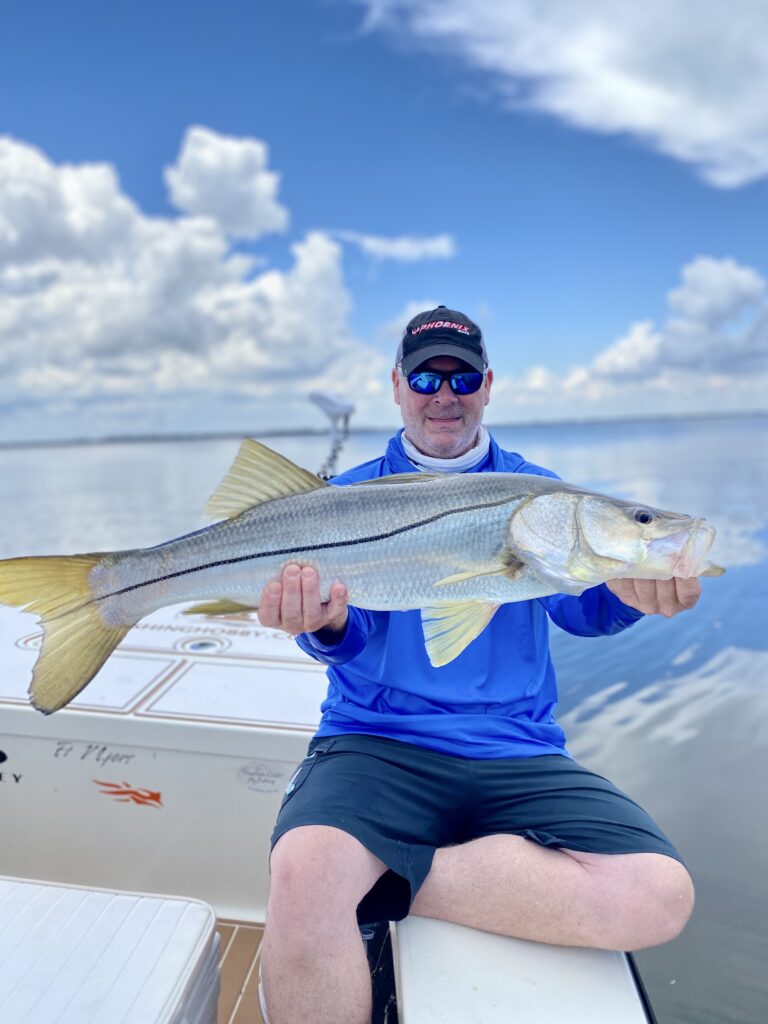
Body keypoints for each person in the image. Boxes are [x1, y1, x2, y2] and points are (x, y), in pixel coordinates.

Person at [257, 306, 698, 1024]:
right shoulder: (342, 499)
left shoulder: (544, 496)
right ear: (397, 385)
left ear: (488, 384)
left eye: (461, 375)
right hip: (376, 741)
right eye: (426, 375)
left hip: (516, 750)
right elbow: (349, 635)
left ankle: (388, 880)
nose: (444, 392)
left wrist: (631, 594)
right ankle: (373, 872)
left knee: (659, 893)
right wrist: (323, 623)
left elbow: (580, 611)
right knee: (302, 876)